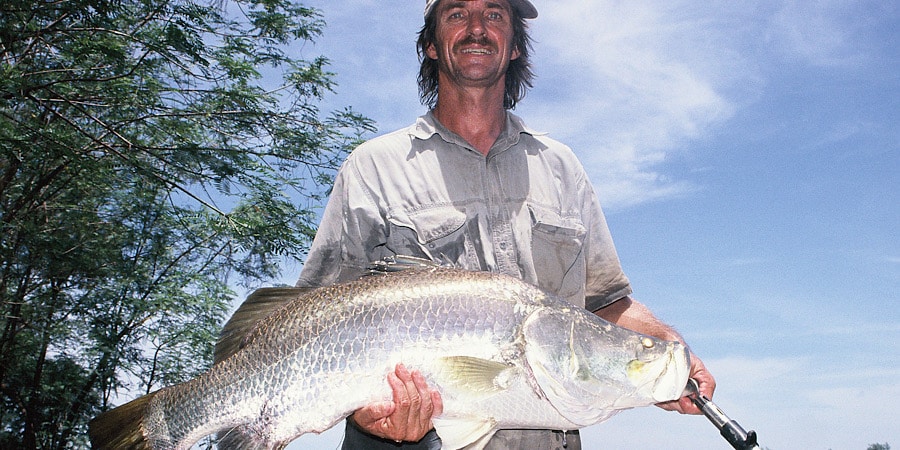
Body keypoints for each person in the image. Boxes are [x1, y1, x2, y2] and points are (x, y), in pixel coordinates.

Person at [296, 0, 716, 448]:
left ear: (514, 45)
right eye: (456, 13)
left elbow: (605, 304)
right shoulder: (372, 166)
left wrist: (670, 350)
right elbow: (314, 318)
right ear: (432, 45)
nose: (476, 27)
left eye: (494, 14)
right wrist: (369, 411)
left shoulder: (561, 167)